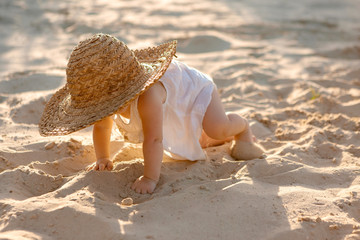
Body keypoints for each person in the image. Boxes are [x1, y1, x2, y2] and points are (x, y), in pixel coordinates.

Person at [39, 33, 264, 194]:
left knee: (217, 127)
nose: (100, 111)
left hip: (192, 89)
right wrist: (103, 158)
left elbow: (154, 139)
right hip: (171, 99)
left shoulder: (147, 97)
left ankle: (243, 127)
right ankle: (216, 138)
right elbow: (102, 126)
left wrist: (150, 178)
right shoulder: (103, 94)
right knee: (200, 141)